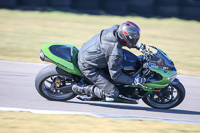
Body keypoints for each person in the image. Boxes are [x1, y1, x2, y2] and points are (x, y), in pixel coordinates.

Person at [72, 21, 145, 101]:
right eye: (134, 40)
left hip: (87, 51)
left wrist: (137, 46)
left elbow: (124, 38)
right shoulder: (115, 52)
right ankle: (80, 89)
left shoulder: (115, 29)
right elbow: (116, 76)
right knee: (112, 93)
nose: (135, 41)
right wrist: (133, 81)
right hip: (88, 66)